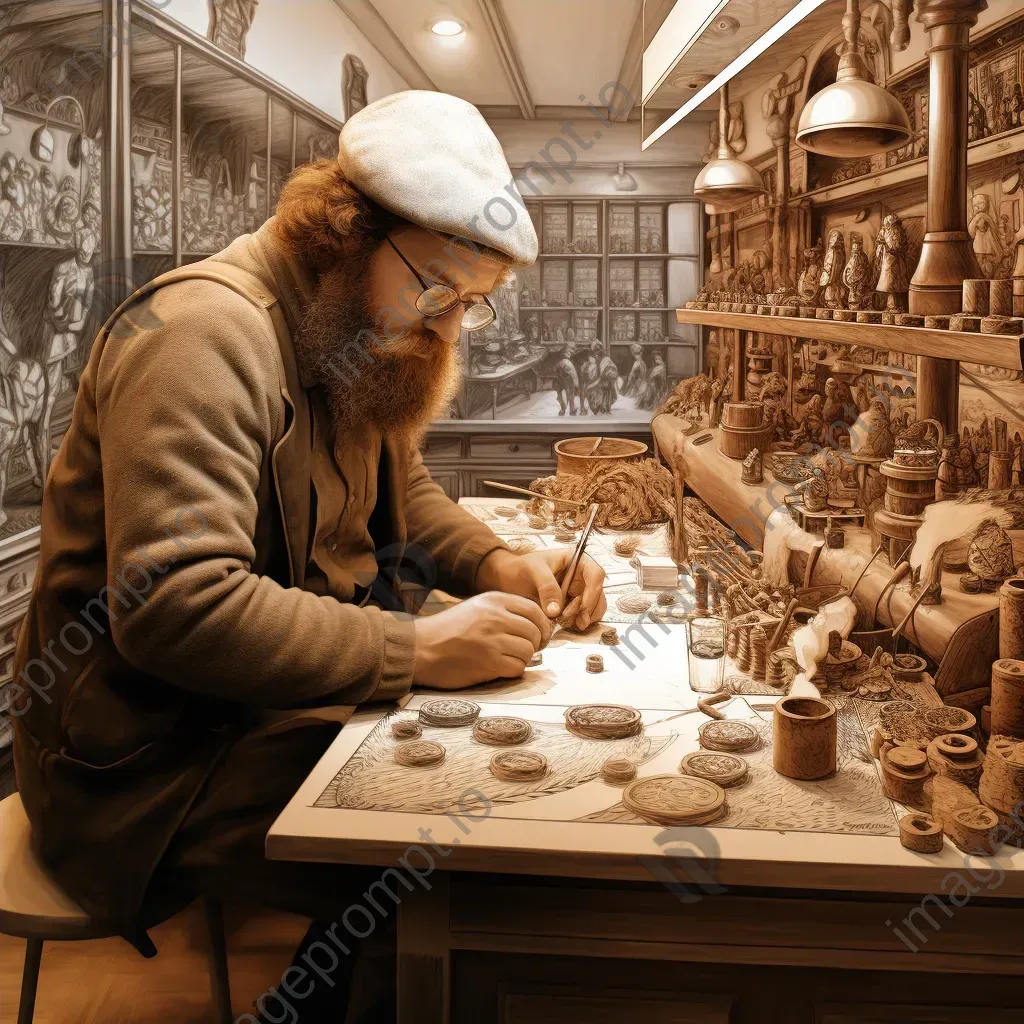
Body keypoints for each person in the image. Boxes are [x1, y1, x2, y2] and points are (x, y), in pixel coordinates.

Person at [12, 91, 606, 1023]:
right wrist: (416, 652)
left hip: (253, 713)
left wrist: (495, 563)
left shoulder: (345, 329)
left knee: (490, 795)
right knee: (434, 854)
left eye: (473, 307)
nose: (450, 328)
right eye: (440, 293)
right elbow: (178, 603)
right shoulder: (202, 337)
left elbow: (397, 490)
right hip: (142, 766)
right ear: (346, 233)